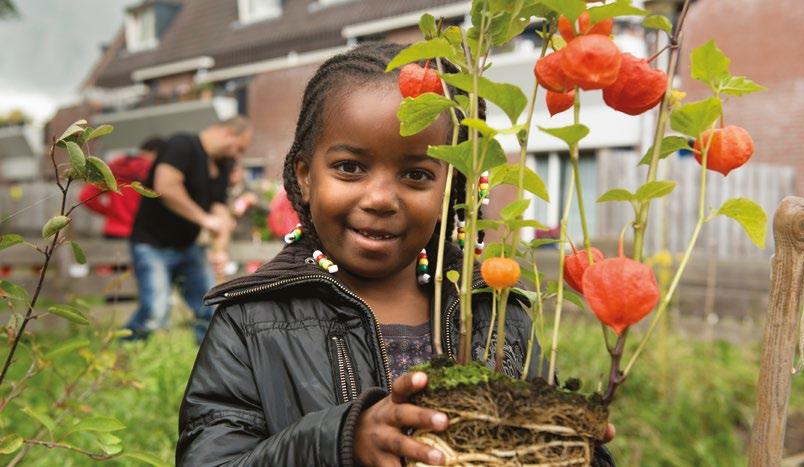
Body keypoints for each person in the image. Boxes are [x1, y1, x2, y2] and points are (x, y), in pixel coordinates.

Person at [176, 43, 613, 466]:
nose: (381, 198)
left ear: (451, 189)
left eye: (416, 174)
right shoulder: (252, 323)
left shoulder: (494, 312)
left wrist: (577, 448)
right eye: (350, 167)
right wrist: (340, 443)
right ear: (305, 177)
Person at [124, 117, 253, 342]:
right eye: (239, 147)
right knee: (155, 312)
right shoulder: (182, 145)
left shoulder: (224, 165)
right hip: (151, 244)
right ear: (229, 133)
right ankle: (124, 348)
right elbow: (165, 186)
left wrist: (220, 250)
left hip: (188, 246)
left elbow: (219, 210)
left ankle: (209, 362)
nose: (238, 155)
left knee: (210, 309)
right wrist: (204, 219)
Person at [77, 136, 166, 238]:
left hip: (113, 231)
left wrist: (111, 212)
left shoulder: (114, 167)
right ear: (156, 153)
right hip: (142, 232)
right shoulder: (154, 171)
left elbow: (85, 196)